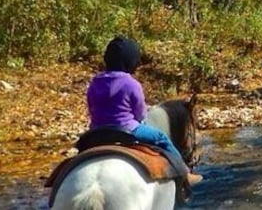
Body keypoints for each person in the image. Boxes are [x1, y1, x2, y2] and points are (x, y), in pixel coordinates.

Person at [86, 36, 202, 186]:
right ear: (131, 62)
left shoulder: (95, 82)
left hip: (96, 131)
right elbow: (140, 115)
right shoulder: (131, 84)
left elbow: (91, 107)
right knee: (162, 138)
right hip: (127, 129)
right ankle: (184, 174)